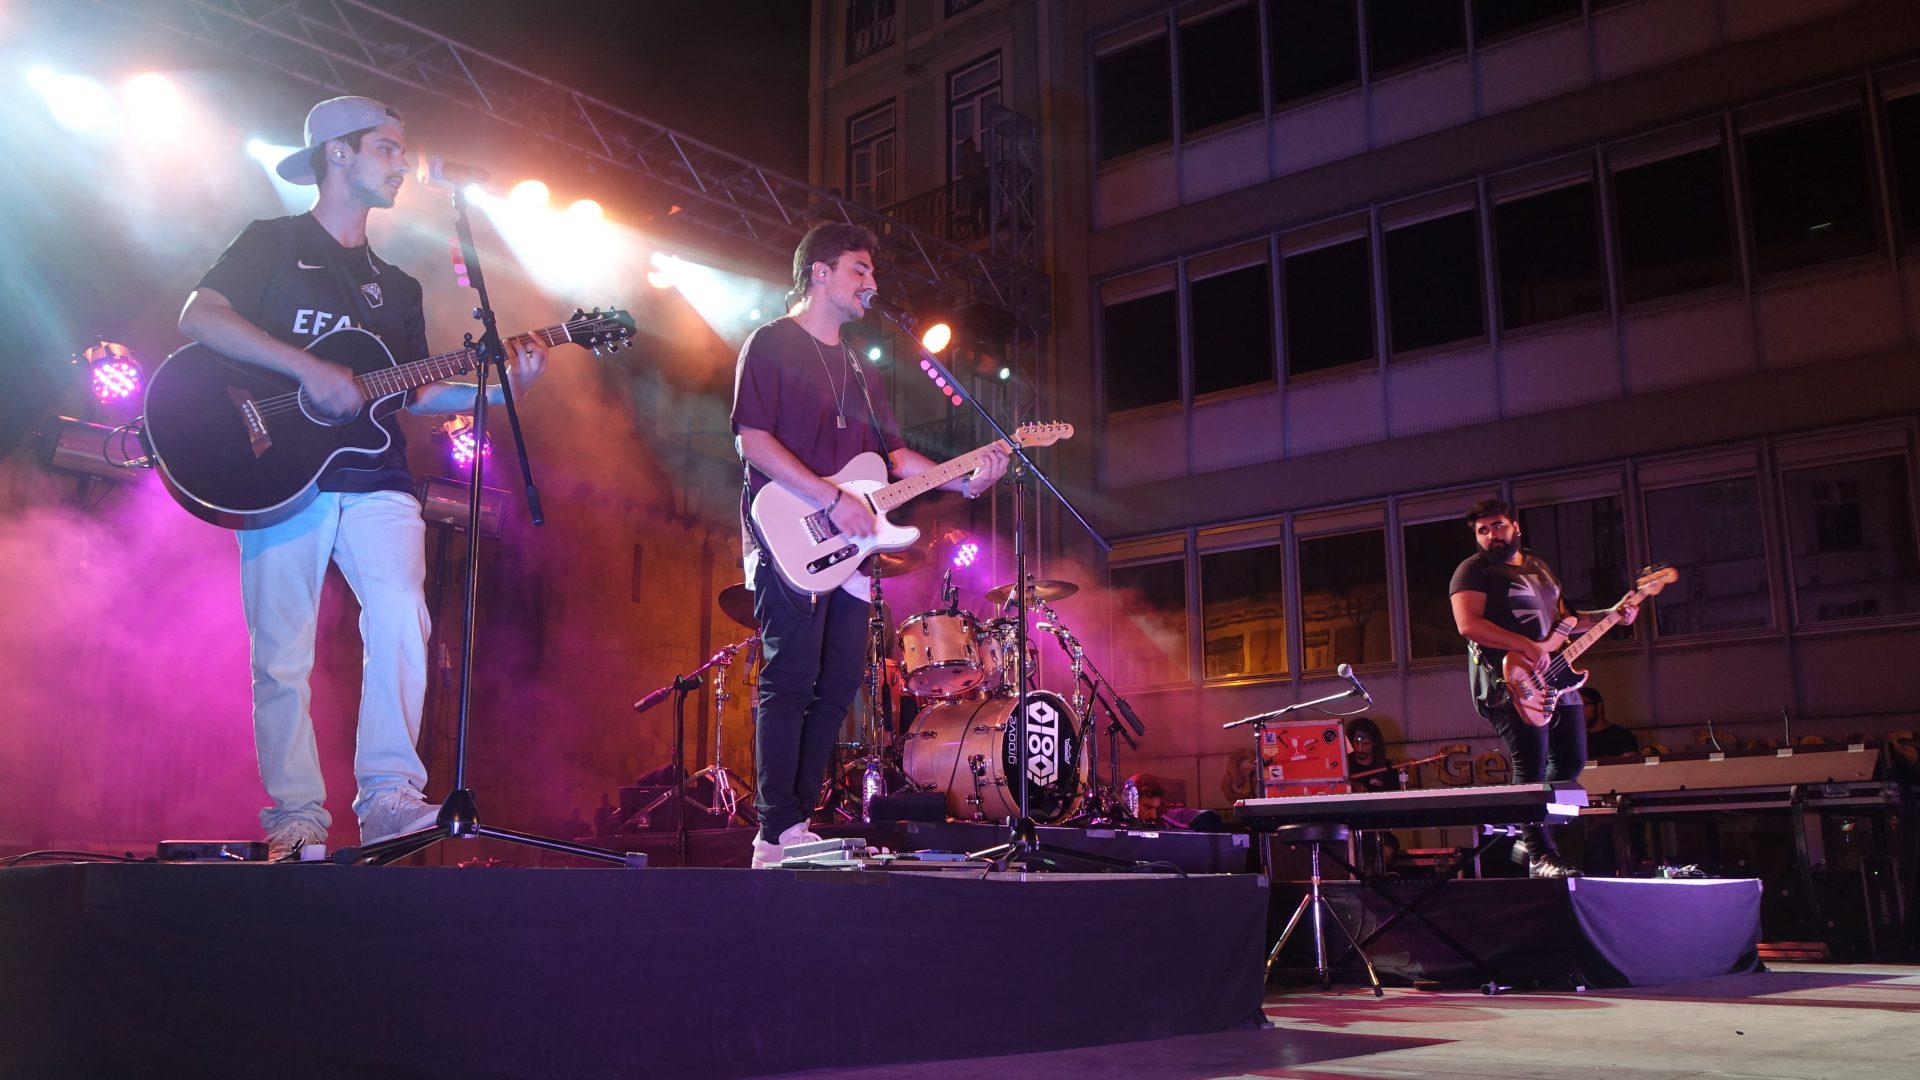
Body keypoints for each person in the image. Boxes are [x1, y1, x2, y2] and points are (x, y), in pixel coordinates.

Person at [178, 96, 549, 860]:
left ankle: (386, 798)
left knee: (403, 619)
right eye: (387, 148)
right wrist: (306, 368)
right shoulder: (273, 244)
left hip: (377, 475)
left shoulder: (399, 286)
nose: (403, 163)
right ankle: (296, 817)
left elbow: (411, 391)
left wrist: (501, 382)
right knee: (281, 650)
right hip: (280, 475)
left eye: (402, 150)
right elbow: (200, 315)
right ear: (336, 154)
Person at [732, 222, 1009, 868]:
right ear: (820, 273)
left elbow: (893, 456)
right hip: (788, 530)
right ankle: (772, 832)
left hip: (851, 549)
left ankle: (795, 826)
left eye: (873, 272)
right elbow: (753, 441)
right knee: (790, 678)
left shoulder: (859, 366)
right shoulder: (770, 344)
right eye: (860, 269)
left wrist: (964, 475)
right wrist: (832, 499)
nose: (872, 283)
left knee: (837, 685)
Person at [1449, 499, 1638, 878]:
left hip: (1554, 674)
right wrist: (1524, 645)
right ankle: (1539, 853)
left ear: (1515, 526)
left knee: (1570, 762)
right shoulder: (1472, 571)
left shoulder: (1538, 566)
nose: (1491, 535)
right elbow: (1468, 625)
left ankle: (1529, 832)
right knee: (1530, 764)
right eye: (1482, 530)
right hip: (1507, 680)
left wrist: (1613, 615)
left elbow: (1566, 621)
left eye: (1497, 525)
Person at [1582, 687, 1639, 759]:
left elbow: (1631, 765)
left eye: (1583, 705)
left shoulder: (1621, 736)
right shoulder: (1576, 741)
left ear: (1599, 706)